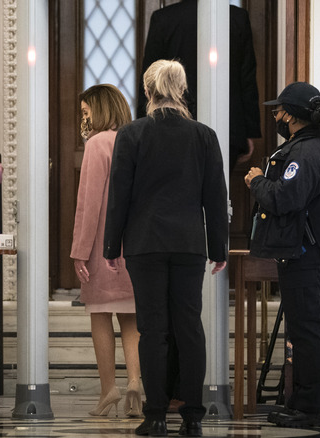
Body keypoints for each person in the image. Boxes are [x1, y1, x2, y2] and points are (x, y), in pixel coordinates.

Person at [104, 59, 229, 437]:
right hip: (190, 244)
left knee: (153, 330)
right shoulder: (204, 135)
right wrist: (219, 248)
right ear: (183, 90)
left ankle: (155, 415)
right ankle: (192, 416)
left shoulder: (132, 134)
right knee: (189, 327)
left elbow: (119, 196)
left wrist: (112, 244)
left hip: (145, 243)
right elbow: (215, 197)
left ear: (147, 91)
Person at [244, 81, 320, 428]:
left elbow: (285, 198)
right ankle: (303, 402)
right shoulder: (310, 148)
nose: (275, 115)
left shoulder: (304, 153)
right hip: (304, 250)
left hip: (304, 252)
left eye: (279, 109)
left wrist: (257, 181)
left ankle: (313, 406)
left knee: (307, 330)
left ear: (292, 115)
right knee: (303, 329)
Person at [71, 84, 142, 418]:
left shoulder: (97, 144)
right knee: (131, 316)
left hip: (102, 244)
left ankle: (108, 388)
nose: (84, 119)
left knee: (99, 314)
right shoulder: (135, 139)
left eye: (86, 112)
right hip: (135, 243)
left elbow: (89, 203)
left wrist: (79, 251)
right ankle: (135, 383)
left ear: (100, 110)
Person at [136, 1, 261, 171]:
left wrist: (144, 125)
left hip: (171, 123)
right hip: (227, 125)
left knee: (177, 187)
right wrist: (249, 131)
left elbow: (150, 76)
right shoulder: (237, 18)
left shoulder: (164, 18)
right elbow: (246, 77)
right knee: (217, 189)